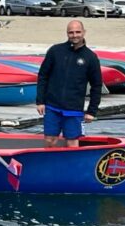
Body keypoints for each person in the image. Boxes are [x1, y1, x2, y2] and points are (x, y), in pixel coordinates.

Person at [36, 19, 103, 147]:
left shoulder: (91, 57)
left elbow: (96, 85)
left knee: (72, 142)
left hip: (74, 108)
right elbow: (43, 76)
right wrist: (40, 101)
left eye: (78, 32)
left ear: (84, 32)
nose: (74, 35)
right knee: (50, 140)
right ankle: (50, 160)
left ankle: (72, 161)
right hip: (52, 106)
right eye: (71, 32)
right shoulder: (55, 51)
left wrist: (92, 111)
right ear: (67, 33)